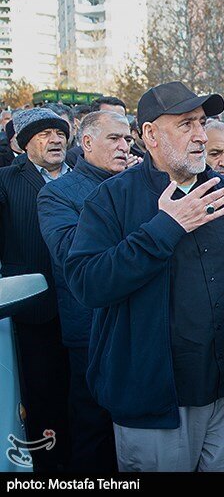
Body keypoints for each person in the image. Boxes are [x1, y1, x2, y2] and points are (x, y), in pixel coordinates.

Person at [65, 81, 224, 471]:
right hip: (157, 401)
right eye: (185, 124)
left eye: (202, 122)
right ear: (150, 135)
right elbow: (87, 282)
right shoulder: (113, 198)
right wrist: (166, 228)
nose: (201, 135)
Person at [37, 110, 134, 472]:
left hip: (139, 322)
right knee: (93, 426)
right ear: (87, 142)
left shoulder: (140, 183)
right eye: (115, 139)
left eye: (128, 139)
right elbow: (70, 254)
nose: (125, 147)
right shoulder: (56, 194)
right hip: (90, 329)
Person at [0, 107, 72, 471]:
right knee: (42, 396)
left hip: (81, 304)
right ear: (25, 143)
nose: (55, 140)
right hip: (33, 308)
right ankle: (48, 466)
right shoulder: (6, 180)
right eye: (44, 135)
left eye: (59, 133)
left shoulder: (84, 176)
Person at [66, 96, 128, 167]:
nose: (124, 147)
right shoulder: (73, 157)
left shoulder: (132, 156)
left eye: (120, 118)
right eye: (113, 139)